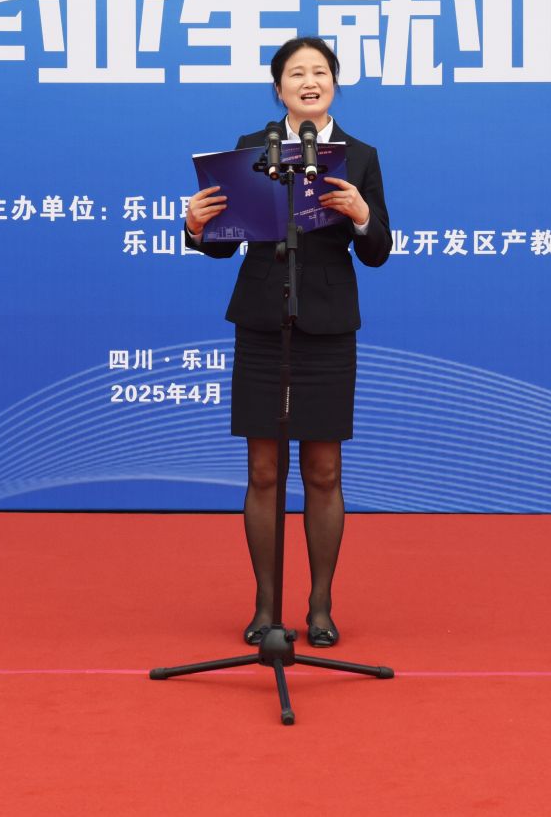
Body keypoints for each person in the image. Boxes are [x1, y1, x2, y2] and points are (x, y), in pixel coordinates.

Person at [183, 36, 391, 648]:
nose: (309, 81)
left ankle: (320, 606)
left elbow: (377, 251)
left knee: (323, 471)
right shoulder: (252, 149)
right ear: (278, 89)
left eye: (319, 72)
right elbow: (222, 243)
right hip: (262, 320)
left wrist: (361, 215)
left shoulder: (360, 156)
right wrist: (195, 225)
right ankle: (265, 606)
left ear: (334, 84)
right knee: (264, 469)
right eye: (296, 73)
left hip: (327, 322)